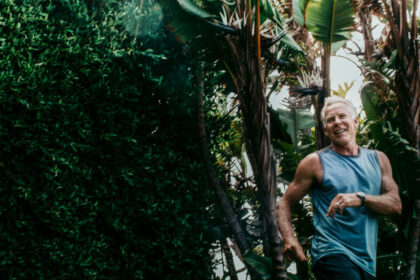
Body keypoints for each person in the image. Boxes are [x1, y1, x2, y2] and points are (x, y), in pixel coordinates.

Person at [275, 96, 402, 280]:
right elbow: (284, 204)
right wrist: (289, 238)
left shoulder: (378, 159)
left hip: (366, 261)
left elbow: (395, 205)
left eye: (342, 116)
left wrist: (361, 199)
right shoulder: (314, 162)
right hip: (331, 253)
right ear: (326, 130)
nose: (337, 123)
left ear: (355, 122)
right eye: (330, 120)